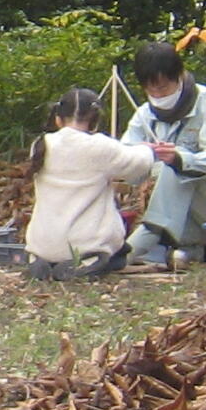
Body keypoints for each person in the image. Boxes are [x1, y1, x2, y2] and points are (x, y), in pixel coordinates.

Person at [124, 39, 206, 268]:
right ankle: (180, 249)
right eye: (150, 89)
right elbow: (125, 162)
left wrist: (179, 159)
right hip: (182, 220)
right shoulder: (144, 115)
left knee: (179, 162)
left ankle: (150, 239)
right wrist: (144, 156)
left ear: (180, 76)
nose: (157, 95)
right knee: (168, 163)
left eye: (163, 88)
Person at [24, 88, 157, 274]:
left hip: (42, 245)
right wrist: (148, 149)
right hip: (85, 245)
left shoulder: (39, 144)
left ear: (58, 118)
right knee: (118, 253)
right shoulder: (99, 146)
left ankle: (42, 261)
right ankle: (81, 263)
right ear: (94, 121)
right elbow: (138, 164)